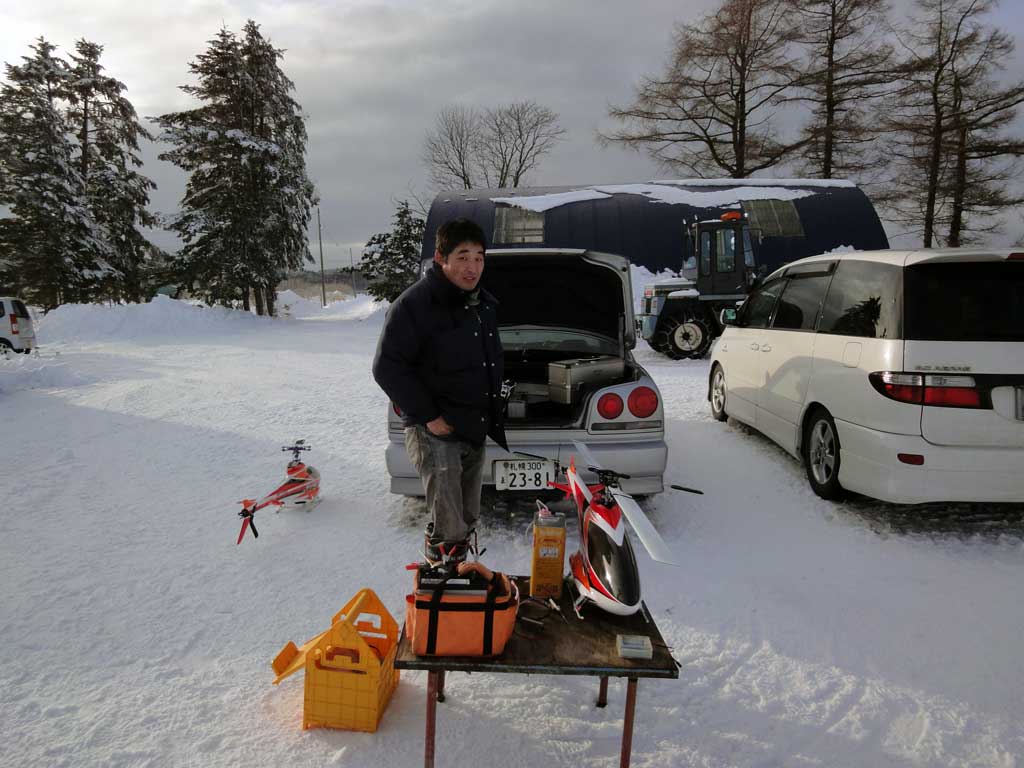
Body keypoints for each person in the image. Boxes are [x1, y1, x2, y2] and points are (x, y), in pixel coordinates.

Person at [372, 218, 507, 565]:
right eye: (462, 257)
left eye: (478, 258)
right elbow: (387, 367)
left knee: (467, 516)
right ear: (440, 258)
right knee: (450, 526)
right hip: (435, 432)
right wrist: (430, 416)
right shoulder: (414, 305)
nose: (472, 267)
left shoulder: (481, 304)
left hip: (472, 426)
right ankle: (446, 582)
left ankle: (459, 576)